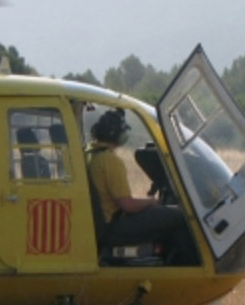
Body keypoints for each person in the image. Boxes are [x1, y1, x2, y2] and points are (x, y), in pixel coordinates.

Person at [85, 108, 199, 265]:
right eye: (123, 130)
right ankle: (185, 268)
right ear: (115, 134)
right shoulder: (110, 161)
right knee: (181, 216)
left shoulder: (91, 153)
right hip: (114, 226)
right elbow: (128, 205)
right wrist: (151, 201)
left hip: (102, 224)